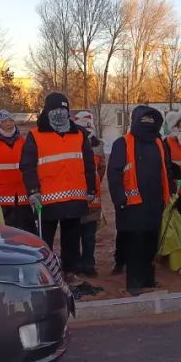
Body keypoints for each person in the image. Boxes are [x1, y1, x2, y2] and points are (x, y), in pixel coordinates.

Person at [20, 92, 97, 282]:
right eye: (55, 109)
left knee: (71, 239)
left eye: (63, 109)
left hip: (75, 198)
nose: (59, 113)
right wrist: (33, 191)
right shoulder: (35, 135)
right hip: (47, 200)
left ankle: (69, 271)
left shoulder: (79, 134)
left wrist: (91, 189)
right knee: (44, 240)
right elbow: (27, 166)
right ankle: (44, 271)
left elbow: (89, 164)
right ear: (47, 111)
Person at [107, 106, 175, 296]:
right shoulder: (123, 143)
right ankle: (134, 283)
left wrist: (171, 190)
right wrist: (119, 199)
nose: (147, 124)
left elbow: (166, 168)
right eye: (143, 120)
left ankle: (148, 279)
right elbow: (114, 172)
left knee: (150, 242)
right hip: (131, 204)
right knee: (135, 244)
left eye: (150, 121)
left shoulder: (159, 143)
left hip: (155, 203)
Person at [0, 110, 36, 233]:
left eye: (11, 120)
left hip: (23, 200)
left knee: (28, 234)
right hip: (0, 203)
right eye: (4, 121)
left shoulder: (23, 142)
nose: (9, 123)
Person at [73, 109, 106, 277]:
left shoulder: (98, 146)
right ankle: (75, 264)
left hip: (93, 200)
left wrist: (94, 186)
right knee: (74, 234)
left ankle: (89, 264)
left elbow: (101, 170)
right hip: (74, 198)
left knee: (89, 236)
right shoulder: (71, 144)